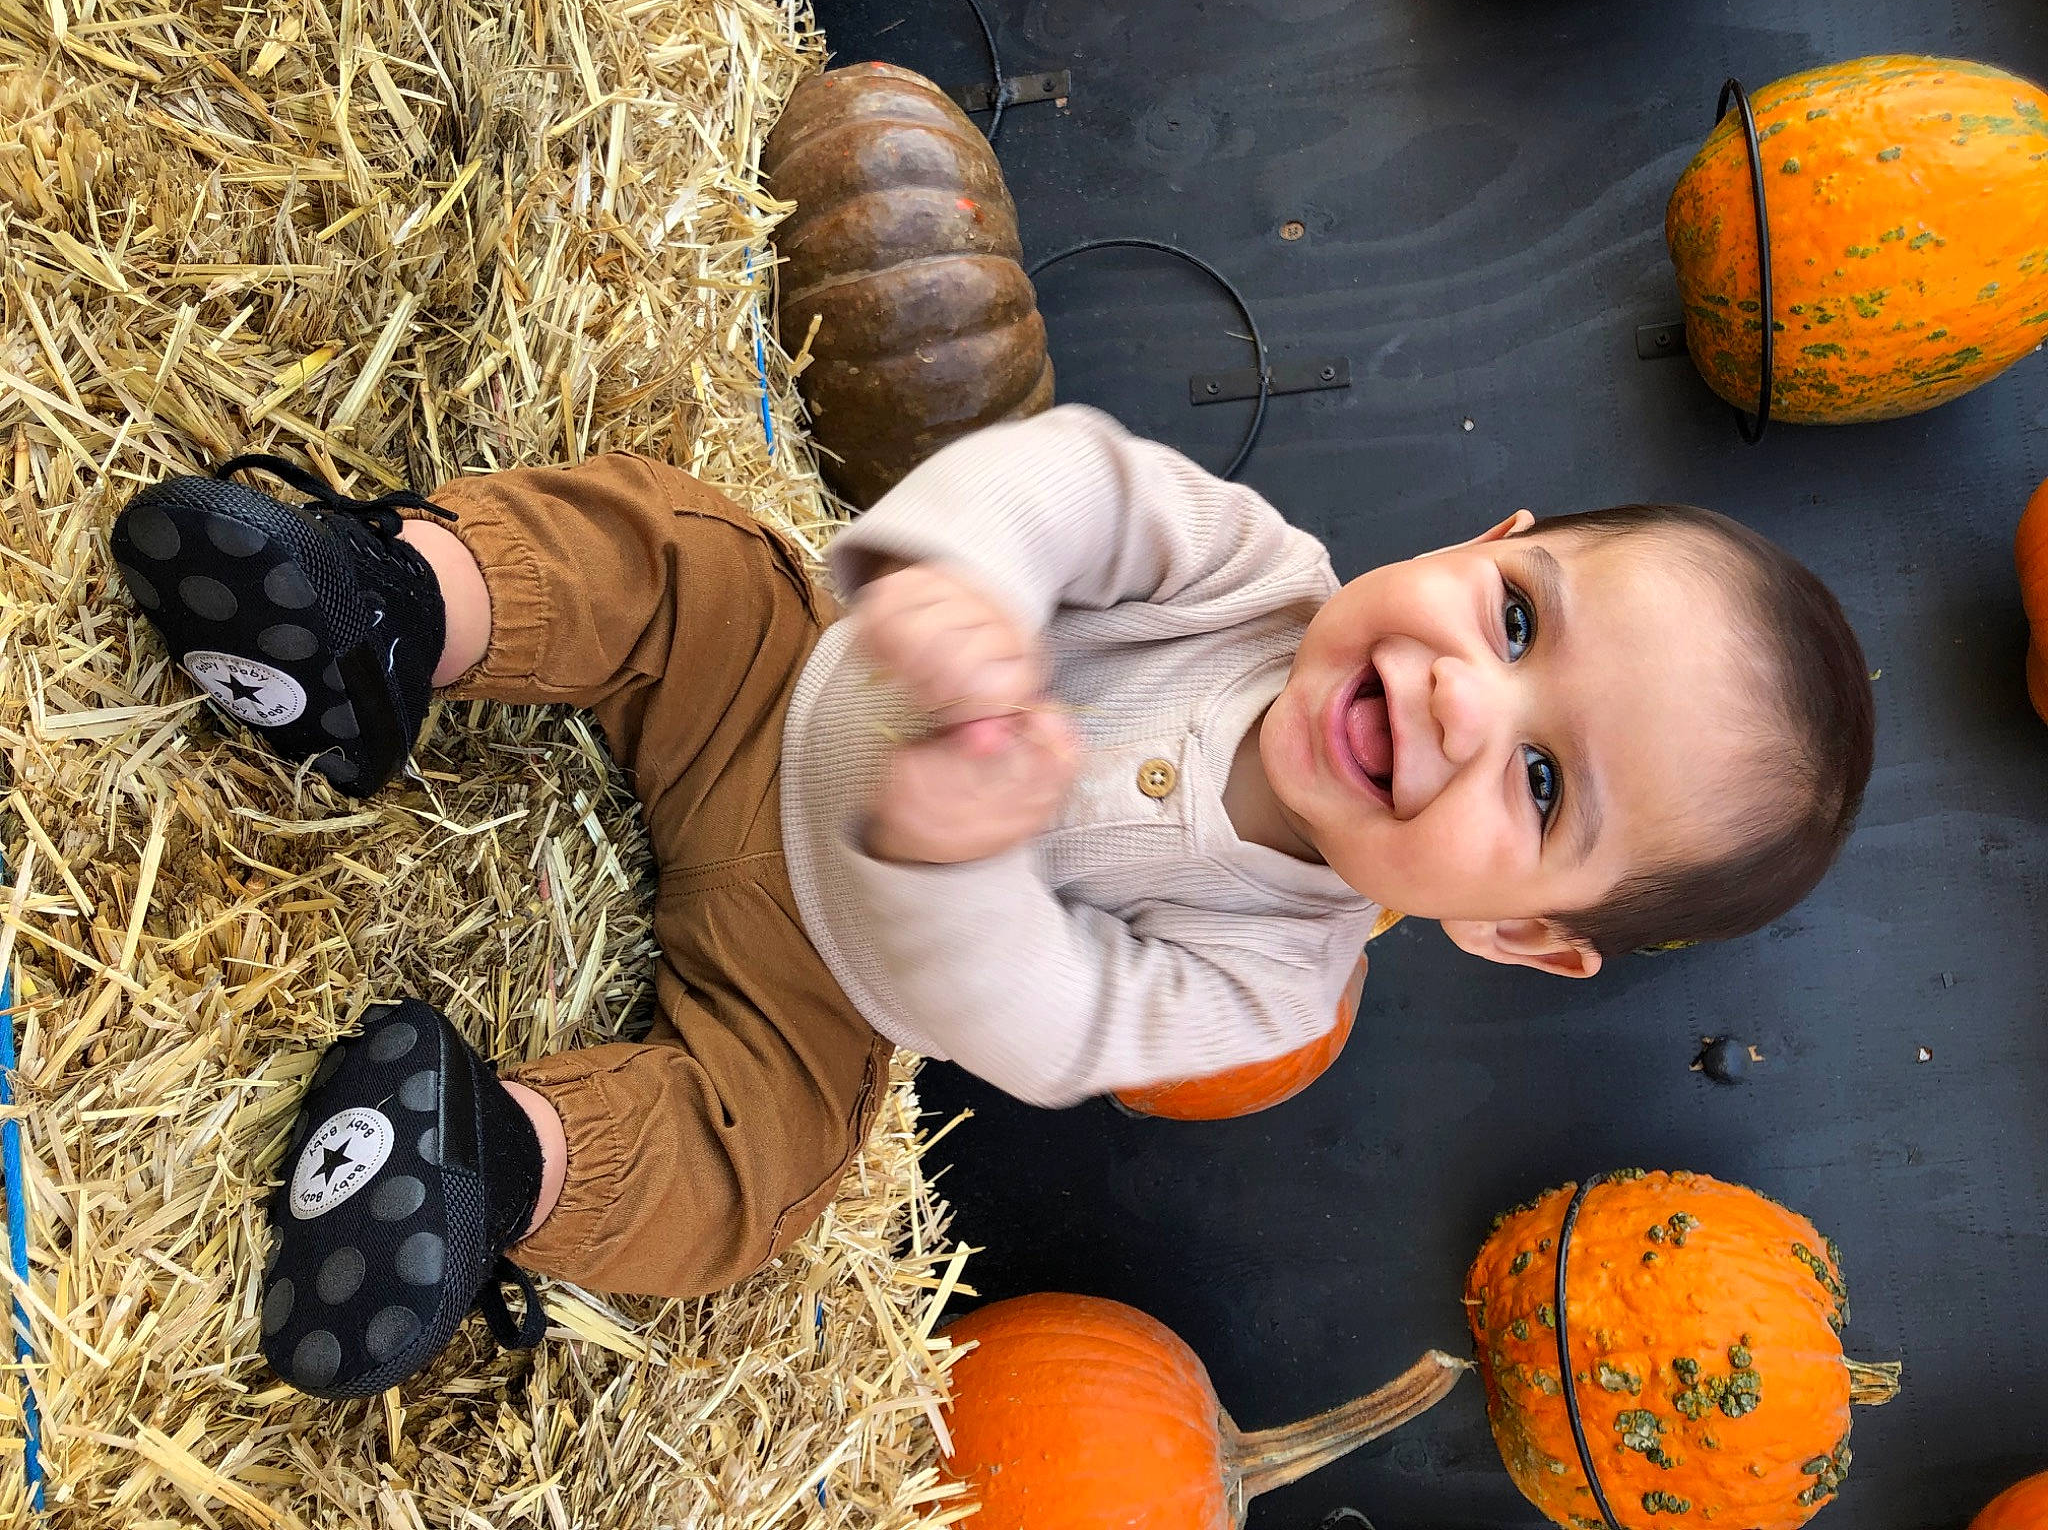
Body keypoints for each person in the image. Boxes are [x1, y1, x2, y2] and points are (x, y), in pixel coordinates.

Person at [106, 405, 1873, 1397]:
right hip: (777, 693)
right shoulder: (1252, 570)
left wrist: (953, 858)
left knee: (758, 1179)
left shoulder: (1280, 989)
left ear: (1517, 934)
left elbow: (1043, 1029)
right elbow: (1072, 481)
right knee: (681, 560)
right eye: (1517, 619)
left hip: (826, 986)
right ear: (1492, 533)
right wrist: (960, 580)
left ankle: (476, 1155)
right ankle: (380, 615)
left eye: (1543, 784)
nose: (1460, 703)